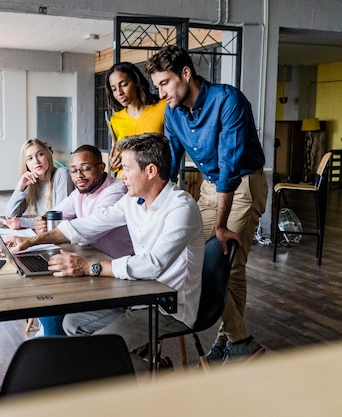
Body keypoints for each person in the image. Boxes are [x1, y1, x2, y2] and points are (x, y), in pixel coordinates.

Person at [5, 133, 204, 353]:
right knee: (72, 324)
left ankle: (141, 374)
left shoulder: (181, 208)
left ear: (150, 171)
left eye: (127, 169)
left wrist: (89, 266)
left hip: (168, 308)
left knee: (96, 352)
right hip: (135, 294)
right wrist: (32, 240)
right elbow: (89, 224)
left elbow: (152, 264)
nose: (122, 176)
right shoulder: (132, 201)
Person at [145, 45, 269, 362]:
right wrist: (156, 205)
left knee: (232, 266)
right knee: (189, 254)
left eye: (164, 83)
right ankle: (240, 341)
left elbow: (229, 166)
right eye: (157, 85)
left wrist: (222, 224)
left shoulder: (228, 100)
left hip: (242, 184)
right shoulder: (173, 113)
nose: (160, 93)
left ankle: (228, 341)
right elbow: (171, 163)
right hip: (210, 186)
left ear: (186, 73)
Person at [33, 144, 134, 336]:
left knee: (54, 295)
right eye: (73, 171)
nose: (78, 175)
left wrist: (41, 236)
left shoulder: (115, 191)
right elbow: (56, 214)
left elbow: (88, 234)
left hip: (116, 274)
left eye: (85, 168)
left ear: (101, 167)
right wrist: (44, 220)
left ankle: (55, 347)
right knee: (48, 289)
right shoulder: (80, 192)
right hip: (92, 266)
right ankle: (50, 342)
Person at [105, 62, 166, 177]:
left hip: (154, 180)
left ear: (136, 81)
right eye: (114, 89)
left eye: (124, 84)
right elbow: (117, 154)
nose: (119, 92)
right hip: (125, 183)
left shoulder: (162, 107)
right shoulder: (115, 119)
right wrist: (114, 163)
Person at [4, 139, 73, 230]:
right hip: (44, 233)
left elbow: (60, 218)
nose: (36, 161)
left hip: (64, 235)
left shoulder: (62, 174)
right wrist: (20, 188)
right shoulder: (31, 182)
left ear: (47, 155)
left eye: (40, 154)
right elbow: (10, 215)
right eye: (30, 158)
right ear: (26, 164)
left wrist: (23, 222)